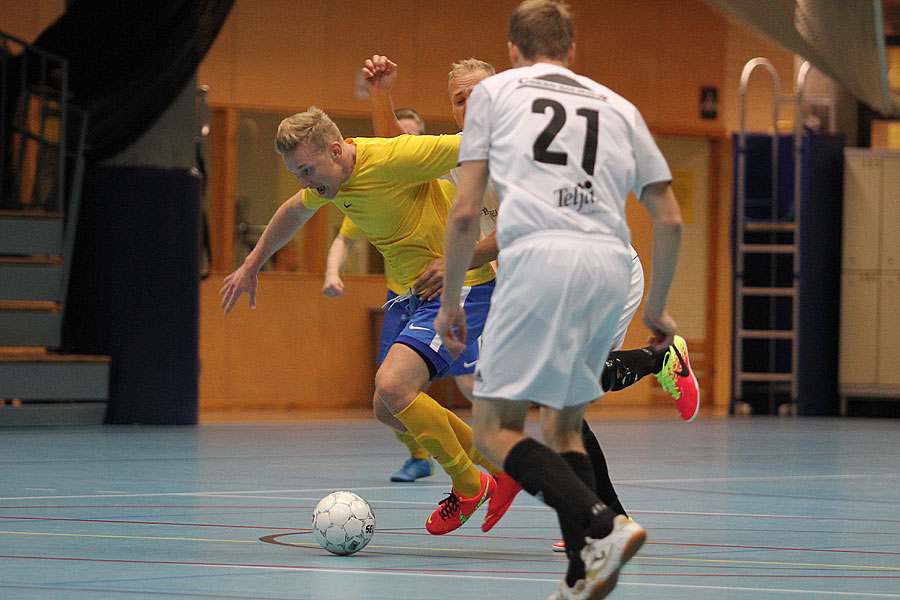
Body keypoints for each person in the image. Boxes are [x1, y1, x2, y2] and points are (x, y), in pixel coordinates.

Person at [367, 53, 698, 540]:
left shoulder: (526, 149)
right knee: (551, 394)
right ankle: (653, 371)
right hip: (543, 280)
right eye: (460, 99)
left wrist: (460, 264)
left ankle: (605, 515)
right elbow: (393, 150)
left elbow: (521, 226)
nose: (471, 104)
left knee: (559, 396)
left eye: (480, 93)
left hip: (598, 270)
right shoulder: (462, 152)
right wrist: (381, 95)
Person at [434, 1, 683, 598]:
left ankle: (603, 525)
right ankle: (581, 574)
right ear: (573, 52)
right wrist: (657, 311)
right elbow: (670, 219)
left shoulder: (493, 93)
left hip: (540, 257)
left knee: (493, 428)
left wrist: (449, 301)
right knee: (564, 427)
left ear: (513, 51)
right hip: (610, 264)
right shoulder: (618, 106)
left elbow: (466, 210)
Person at [219, 100, 511, 536]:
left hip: (459, 283)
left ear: (336, 150)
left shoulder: (394, 159)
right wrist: (251, 265)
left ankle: (471, 484)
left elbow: (477, 143)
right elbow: (292, 212)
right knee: (388, 408)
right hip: (411, 293)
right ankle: (497, 467)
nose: (304, 181)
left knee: (394, 386)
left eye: (307, 170)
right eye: (297, 172)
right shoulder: (328, 183)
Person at [322, 106, 439, 483]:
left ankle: (491, 457)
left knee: (469, 383)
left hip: (447, 294)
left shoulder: (440, 181)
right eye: (394, 135)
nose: (400, 142)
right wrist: (330, 272)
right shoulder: (370, 189)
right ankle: (422, 454)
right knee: (388, 393)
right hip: (400, 300)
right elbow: (343, 239)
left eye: (409, 136)